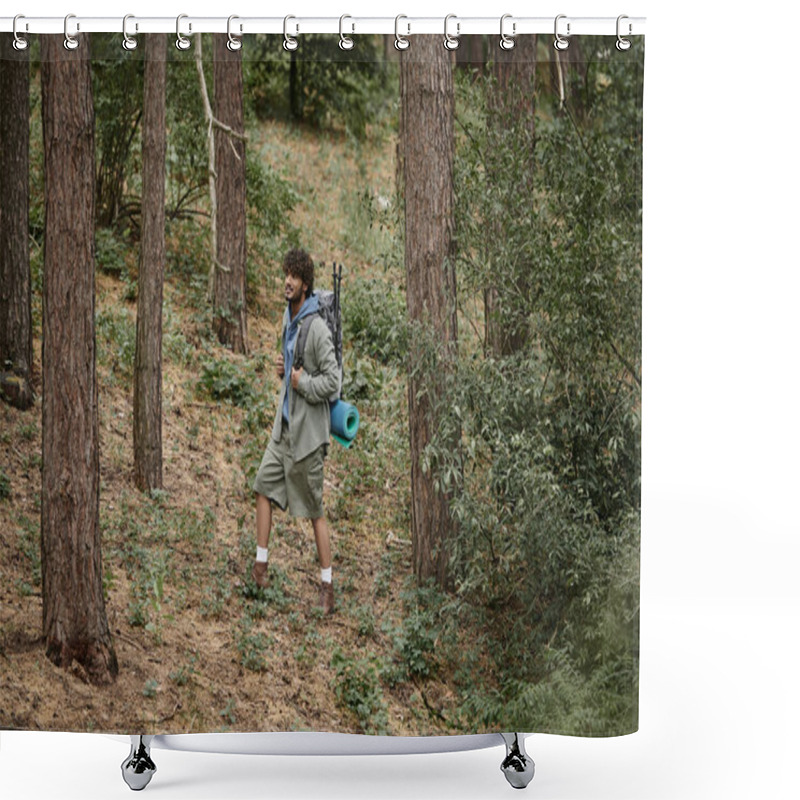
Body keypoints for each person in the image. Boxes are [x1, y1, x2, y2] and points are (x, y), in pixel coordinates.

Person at [251, 249, 340, 614]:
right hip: (283, 430)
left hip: (307, 438)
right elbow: (294, 370)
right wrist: (284, 371)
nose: (288, 281)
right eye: (285, 274)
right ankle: (260, 568)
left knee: (316, 510)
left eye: (295, 276)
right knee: (262, 486)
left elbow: (333, 382)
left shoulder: (316, 327)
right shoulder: (289, 319)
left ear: (306, 284)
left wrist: (301, 384)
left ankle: (327, 586)